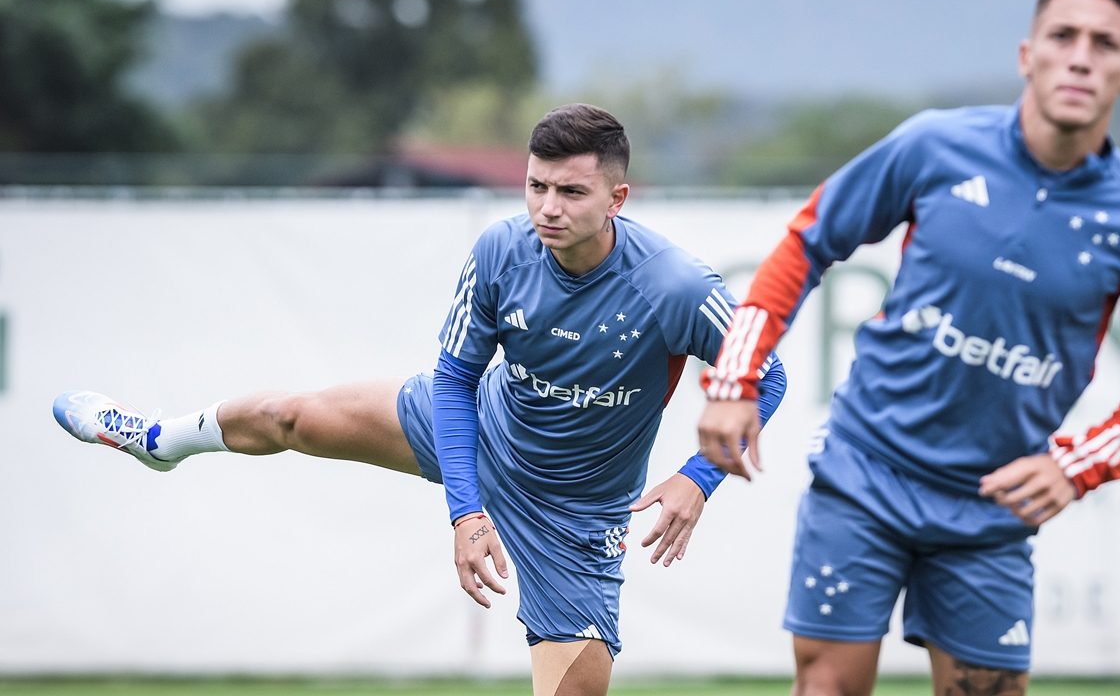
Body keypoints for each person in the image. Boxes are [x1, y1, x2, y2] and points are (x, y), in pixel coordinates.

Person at [53, 104, 786, 696]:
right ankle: (159, 440)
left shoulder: (675, 286)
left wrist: (699, 479)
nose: (548, 208)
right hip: (483, 429)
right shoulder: (502, 251)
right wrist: (466, 512)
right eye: (537, 186)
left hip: (579, 515)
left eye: (571, 191)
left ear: (616, 198)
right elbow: (456, 380)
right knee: (293, 416)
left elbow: (769, 377)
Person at [696, 0, 1120, 695]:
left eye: (1105, 44)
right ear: (1028, 55)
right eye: (1064, 37)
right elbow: (809, 241)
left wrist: (1074, 467)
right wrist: (732, 381)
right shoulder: (936, 144)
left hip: (991, 509)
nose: (1081, 58)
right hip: (864, 475)